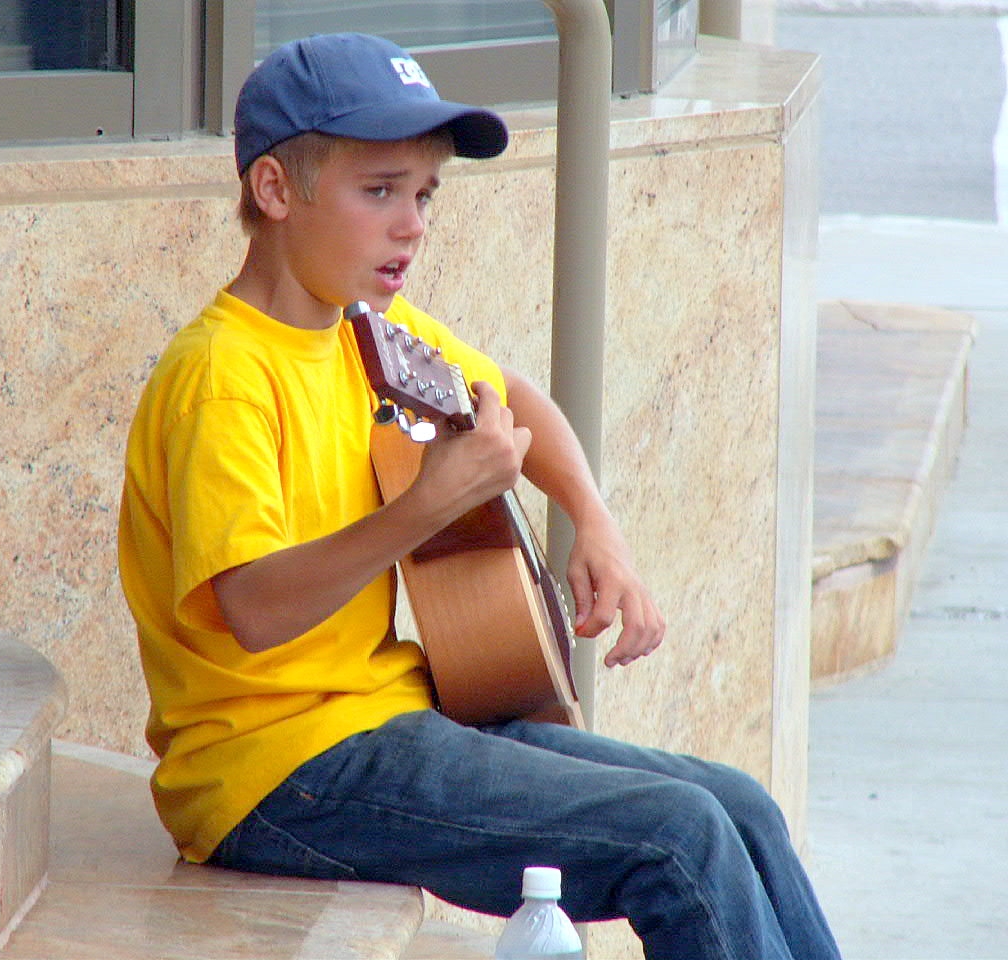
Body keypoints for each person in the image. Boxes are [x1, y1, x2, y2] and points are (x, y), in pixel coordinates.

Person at [117, 32, 841, 960]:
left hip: (382, 721)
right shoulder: (223, 374)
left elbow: (518, 401)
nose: (411, 223)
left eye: (424, 195)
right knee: (678, 836)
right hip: (274, 772)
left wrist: (596, 524)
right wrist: (422, 508)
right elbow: (253, 608)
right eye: (379, 191)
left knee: (739, 809)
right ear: (273, 191)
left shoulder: (362, 328)